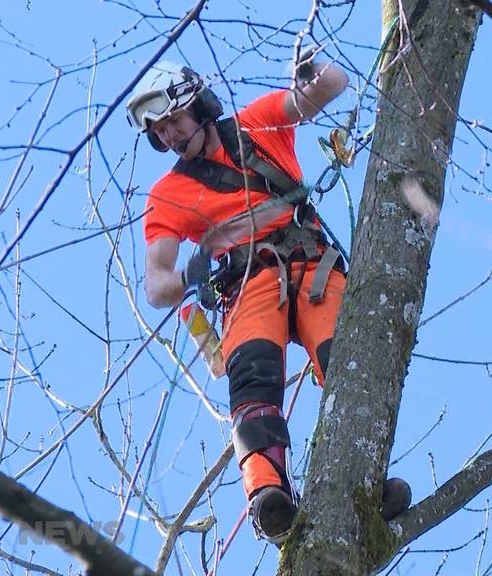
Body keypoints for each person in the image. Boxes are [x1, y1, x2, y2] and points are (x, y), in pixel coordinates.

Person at [126, 53, 410, 544]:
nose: (168, 137)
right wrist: (194, 269)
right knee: (253, 379)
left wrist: (312, 71)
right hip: (249, 283)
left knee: (349, 361)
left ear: (197, 105)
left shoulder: (256, 126)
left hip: (314, 266)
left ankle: (363, 481)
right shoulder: (169, 194)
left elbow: (332, 87)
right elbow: (155, 286)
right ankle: (268, 496)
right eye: (160, 133)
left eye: (172, 122)